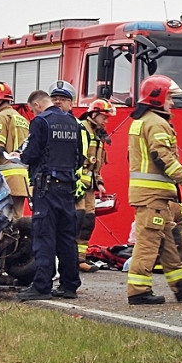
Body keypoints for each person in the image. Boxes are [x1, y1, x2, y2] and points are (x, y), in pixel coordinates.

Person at [126, 75, 182, 305]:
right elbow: (162, 156)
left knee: (168, 240)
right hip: (153, 195)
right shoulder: (156, 122)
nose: (172, 103)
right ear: (158, 97)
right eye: (170, 97)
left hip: (152, 195)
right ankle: (139, 290)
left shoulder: (142, 120)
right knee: (148, 242)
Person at [15, 87, 83, 300]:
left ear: (38, 104)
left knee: (44, 236)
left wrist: (21, 156)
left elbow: (31, 154)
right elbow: (79, 157)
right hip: (68, 187)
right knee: (67, 237)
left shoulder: (41, 122)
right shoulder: (73, 123)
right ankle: (69, 285)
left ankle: (42, 286)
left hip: (46, 188)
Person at [76, 98, 115, 273]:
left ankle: (79, 259)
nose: (106, 121)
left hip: (89, 186)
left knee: (87, 221)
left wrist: (98, 181)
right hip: (76, 185)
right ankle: (67, 259)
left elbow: (96, 161)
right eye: (104, 117)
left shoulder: (97, 133)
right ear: (94, 114)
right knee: (76, 220)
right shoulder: (82, 128)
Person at [0, 82, 31, 219]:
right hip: (21, 181)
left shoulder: (0, 117)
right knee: (15, 219)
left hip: (4, 180)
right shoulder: (22, 119)